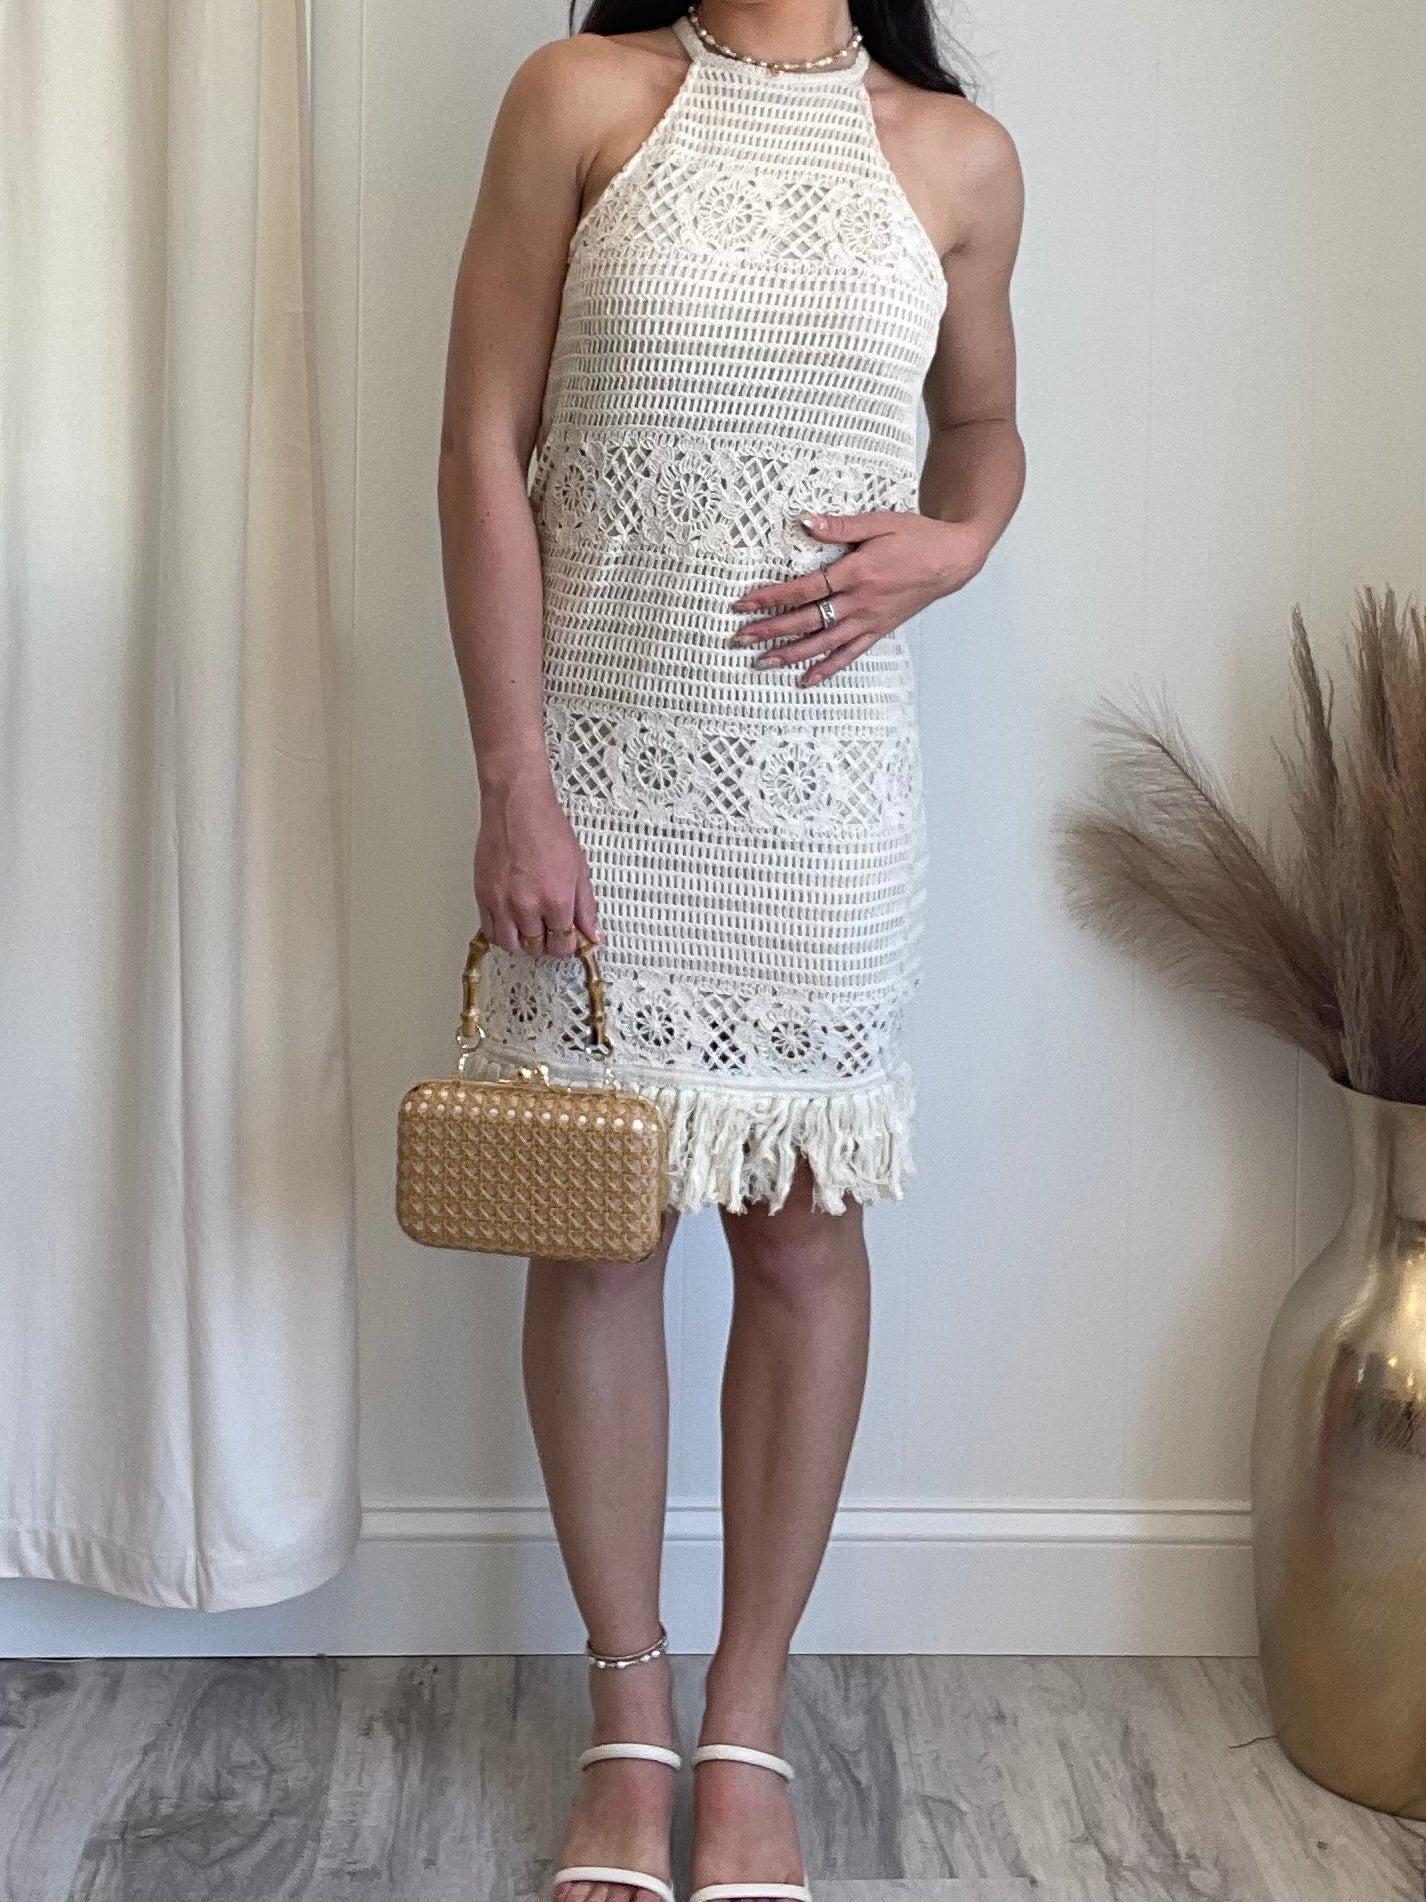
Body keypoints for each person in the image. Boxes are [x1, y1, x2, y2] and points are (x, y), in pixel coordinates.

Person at [437, 4, 1024, 1897]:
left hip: (824, 795)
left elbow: (984, 428)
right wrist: (513, 776)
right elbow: (482, 438)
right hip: (595, 779)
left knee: (797, 1232)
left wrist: (956, 542)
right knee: (597, 1230)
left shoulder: (954, 154)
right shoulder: (581, 99)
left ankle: (746, 1725)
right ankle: (627, 1724)